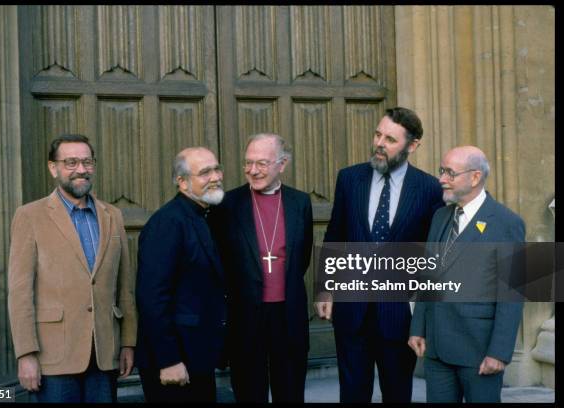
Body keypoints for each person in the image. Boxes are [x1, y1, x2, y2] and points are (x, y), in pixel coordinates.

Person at [315, 107, 444, 402]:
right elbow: (335, 237)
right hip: (352, 310)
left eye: (390, 139)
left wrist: (423, 316)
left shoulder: (429, 189)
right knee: (352, 393)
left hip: (398, 315)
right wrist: (325, 289)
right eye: (377, 134)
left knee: (397, 393)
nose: (379, 144)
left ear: (412, 146)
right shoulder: (349, 179)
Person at [7, 134, 137, 402]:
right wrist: (26, 354)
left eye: (87, 162)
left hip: (104, 353)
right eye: (71, 162)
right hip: (53, 357)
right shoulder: (30, 216)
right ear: (53, 168)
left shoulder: (113, 215)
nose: (81, 169)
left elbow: (125, 287)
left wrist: (128, 342)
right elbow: (20, 293)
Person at [408, 146, 524, 403]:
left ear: (475, 177)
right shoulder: (440, 216)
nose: (441, 179)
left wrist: (499, 353)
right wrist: (418, 328)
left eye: (450, 173)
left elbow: (512, 295)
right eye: (441, 171)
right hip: (437, 351)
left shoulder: (507, 223)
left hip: (479, 352)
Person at [212, 134, 313, 402]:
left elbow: (301, 258)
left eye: (262, 163)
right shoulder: (226, 204)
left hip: (288, 313)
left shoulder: (300, 202)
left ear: (282, 164)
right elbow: (219, 261)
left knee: (290, 390)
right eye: (248, 163)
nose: (253, 170)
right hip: (245, 315)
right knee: (249, 390)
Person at [135, 147, 227, 403]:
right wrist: (169, 360)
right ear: (182, 182)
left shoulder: (205, 214)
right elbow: (152, 298)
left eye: (217, 169)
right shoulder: (167, 223)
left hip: (198, 357)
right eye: (205, 172)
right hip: (175, 363)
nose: (216, 177)